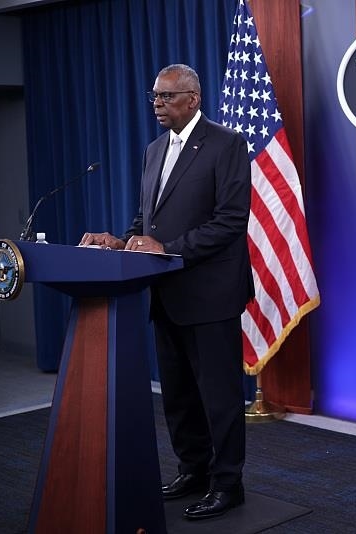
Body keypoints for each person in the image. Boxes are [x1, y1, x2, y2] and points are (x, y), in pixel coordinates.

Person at [80, 63, 254, 521]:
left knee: (219, 398)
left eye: (166, 96)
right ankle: (193, 471)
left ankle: (227, 484)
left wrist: (168, 249)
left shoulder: (227, 144)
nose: (157, 104)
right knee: (178, 396)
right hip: (165, 293)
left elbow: (231, 221)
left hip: (211, 294)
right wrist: (122, 241)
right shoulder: (154, 149)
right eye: (154, 96)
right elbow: (147, 220)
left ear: (193, 99)